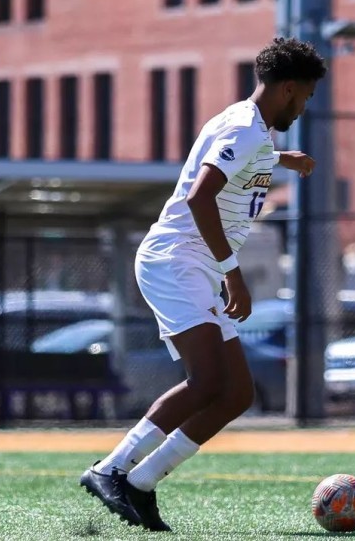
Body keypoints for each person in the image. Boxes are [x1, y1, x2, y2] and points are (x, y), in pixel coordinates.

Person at [80, 37, 326, 531]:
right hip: (178, 260)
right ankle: (110, 469)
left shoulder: (248, 125)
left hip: (195, 263)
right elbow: (200, 196)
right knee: (209, 382)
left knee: (236, 394)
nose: (304, 107)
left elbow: (240, 160)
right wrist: (233, 273)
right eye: (305, 96)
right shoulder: (245, 128)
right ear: (289, 89)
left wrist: (285, 160)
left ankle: (141, 481)